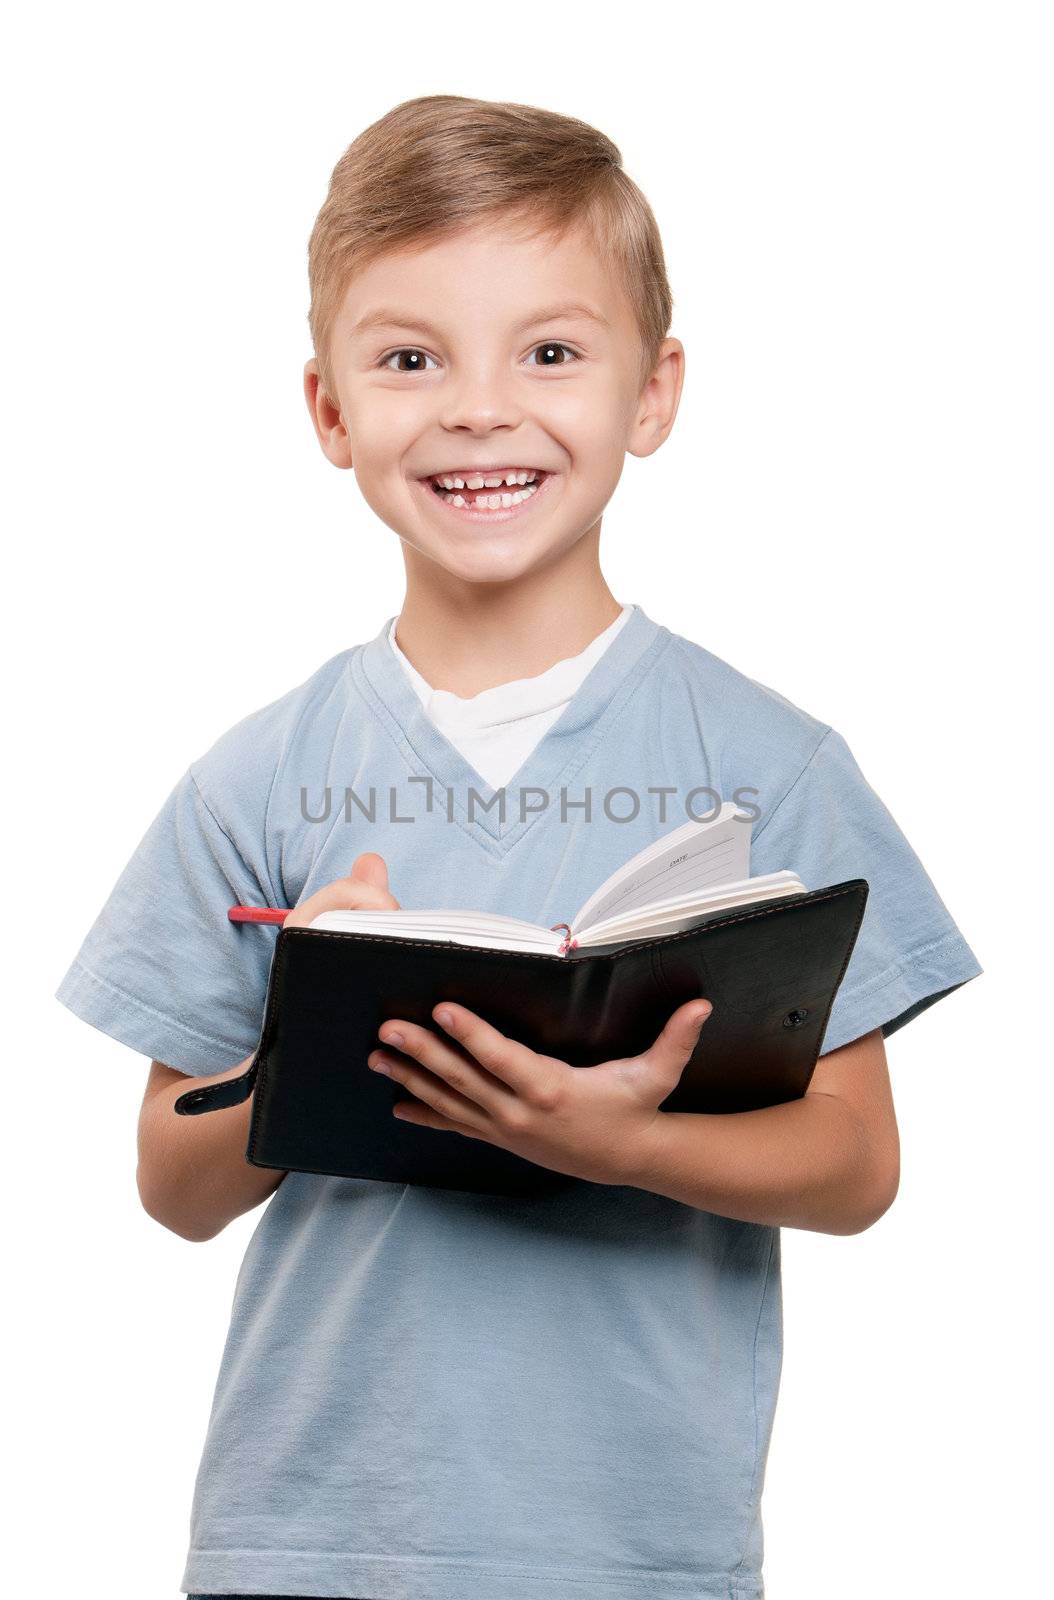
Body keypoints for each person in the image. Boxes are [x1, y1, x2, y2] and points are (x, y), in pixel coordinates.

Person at [56, 94, 982, 1600]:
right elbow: (174, 1187)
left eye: (548, 352)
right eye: (410, 358)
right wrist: (313, 1030)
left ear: (652, 392)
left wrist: (616, 1145)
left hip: (629, 1550)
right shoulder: (260, 774)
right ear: (330, 411)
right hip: (307, 1539)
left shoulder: (767, 766)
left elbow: (857, 1163)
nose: (479, 408)